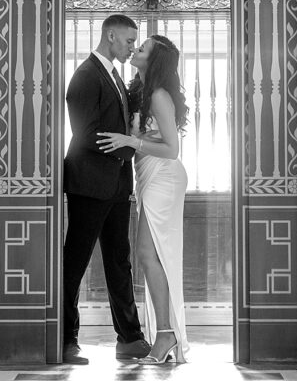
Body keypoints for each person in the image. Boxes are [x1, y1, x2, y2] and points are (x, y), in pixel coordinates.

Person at [63, 15, 150, 366]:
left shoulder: (113, 74)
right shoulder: (86, 75)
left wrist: (130, 146)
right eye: (129, 41)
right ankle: (65, 340)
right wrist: (132, 147)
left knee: (119, 260)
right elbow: (86, 133)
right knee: (76, 262)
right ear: (110, 35)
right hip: (88, 183)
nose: (132, 47)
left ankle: (129, 338)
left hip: (116, 185)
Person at [97, 34, 190, 364]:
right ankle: (165, 332)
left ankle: (165, 333)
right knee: (150, 256)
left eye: (142, 49)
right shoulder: (139, 91)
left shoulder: (160, 96)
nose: (134, 50)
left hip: (163, 176)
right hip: (148, 175)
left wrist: (129, 141)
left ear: (154, 61)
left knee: (150, 256)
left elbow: (171, 149)